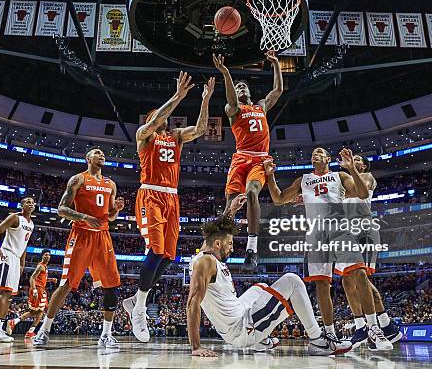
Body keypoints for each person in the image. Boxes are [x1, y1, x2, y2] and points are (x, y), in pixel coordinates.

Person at [186, 196, 352, 357]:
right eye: (230, 244)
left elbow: (215, 232)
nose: (231, 248)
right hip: (241, 330)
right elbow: (192, 303)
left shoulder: (204, 253)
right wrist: (196, 347)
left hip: (233, 324)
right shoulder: (206, 263)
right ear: (218, 244)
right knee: (292, 280)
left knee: (259, 289)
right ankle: (317, 340)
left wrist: (231, 210)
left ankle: (261, 341)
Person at [263, 148, 392, 351]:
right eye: (313, 152)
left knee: (359, 273)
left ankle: (374, 329)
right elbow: (279, 199)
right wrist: (270, 177)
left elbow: (362, 192)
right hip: (315, 233)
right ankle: (330, 335)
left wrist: (351, 168)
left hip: (340, 229)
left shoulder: (339, 176)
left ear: (329, 159)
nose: (315, 153)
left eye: (320, 152)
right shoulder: (302, 180)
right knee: (322, 285)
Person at [122, 73, 214, 343]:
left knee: (169, 255)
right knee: (156, 249)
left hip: (172, 198)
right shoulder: (143, 137)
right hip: (150, 194)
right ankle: (138, 307)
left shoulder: (175, 137)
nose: (161, 120)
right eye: (156, 117)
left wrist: (205, 100)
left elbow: (200, 129)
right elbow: (156, 119)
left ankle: (136, 300)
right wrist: (177, 96)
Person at [33, 148, 124, 348]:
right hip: (81, 236)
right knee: (66, 285)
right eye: (97, 152)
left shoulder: (111, 184)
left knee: (112, 286)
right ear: (87, 158)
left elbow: (109, 216)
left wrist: (116, 210)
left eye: (103, 153)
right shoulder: (78, 179)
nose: (102, 155)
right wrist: (83, 217)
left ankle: (106, 335)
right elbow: (61, 209)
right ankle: (44, 330)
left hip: (103, 237)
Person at [213, 51, 283, 270]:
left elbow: (278, 90)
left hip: (260, 160)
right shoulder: (232, 109)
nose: (241, 89)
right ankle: (220, 247)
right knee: (230, 206)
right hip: (240, 157)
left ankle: (252, 249)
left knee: (252, 192)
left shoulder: (260, 106)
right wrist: (226, 73)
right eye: (238, 86)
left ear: (251, 92)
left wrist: (276, 65)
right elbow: (231, 98)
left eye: (244, 86)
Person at [342, 154, 401, 348]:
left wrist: (337, 191)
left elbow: (362, 192)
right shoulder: (344, 182)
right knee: (346, 280)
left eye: (358, 159)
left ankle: (385, 325)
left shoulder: (367, 177)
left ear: (364, 166)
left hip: (364, 231)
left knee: (361, 279)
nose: (354, 160)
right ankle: (361, 327)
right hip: (347, 233)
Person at [0, 197, 36, 343]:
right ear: (22, 205)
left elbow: (24, 245)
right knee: (5, 292)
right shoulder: (15, 217)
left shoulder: (31, 224)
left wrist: (22, 264)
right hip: (6, 254)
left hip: (16, 259)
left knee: (10, 295)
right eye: (27, 202)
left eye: (33, 202)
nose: (31, 204)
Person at [6, 249, 57, 338]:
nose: (47, 256)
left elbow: (41, 279)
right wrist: (34, 290)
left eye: (49, 255)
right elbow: (32, 278)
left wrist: (50, 280)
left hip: (41, 289)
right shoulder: (40, 266)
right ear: (42, 256)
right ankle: (14, 322)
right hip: (38, 289)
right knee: (35, 312)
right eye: (45, 255)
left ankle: (30, 331)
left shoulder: (45, 266)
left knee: (40, 312)